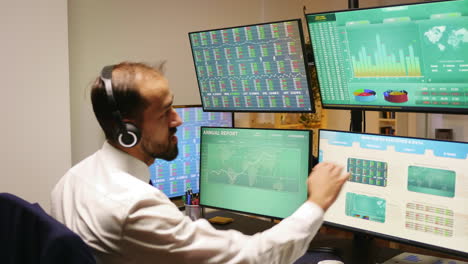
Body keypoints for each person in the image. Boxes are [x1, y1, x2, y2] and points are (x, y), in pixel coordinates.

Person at [51, 61, 349, 264]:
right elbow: (251, 257)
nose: (178, 119)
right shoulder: (134, 206)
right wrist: (317, 201)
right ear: (128, 130)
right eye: (165, 112)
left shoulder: (73, 180)